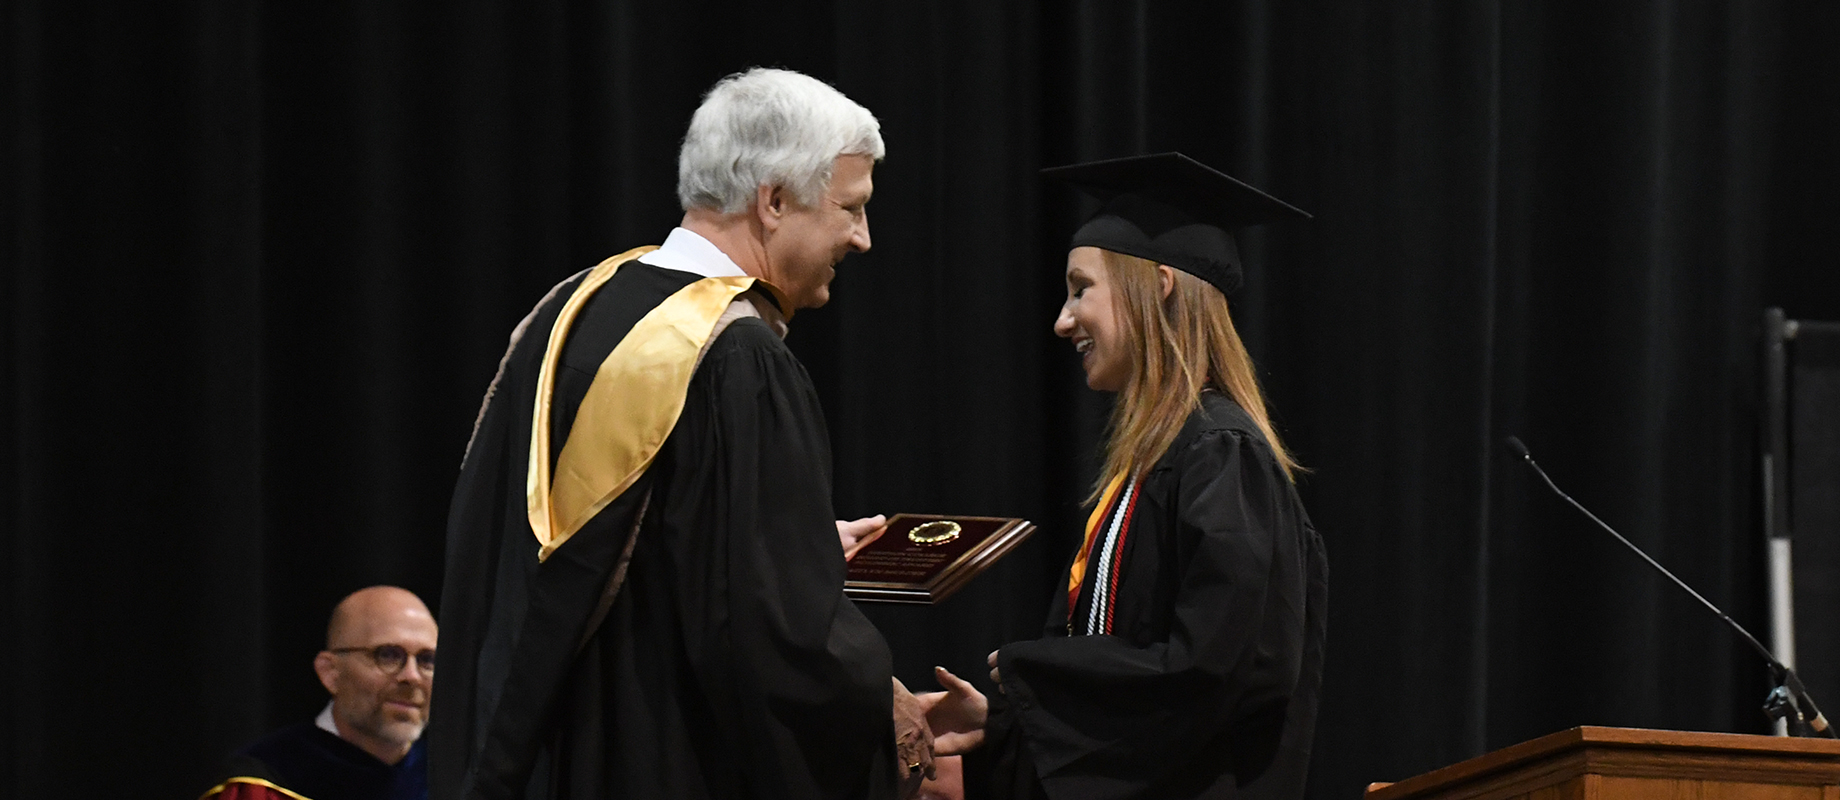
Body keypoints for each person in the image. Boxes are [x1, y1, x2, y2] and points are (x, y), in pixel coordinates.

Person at [430, 67, 931, 800]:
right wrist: (883, 709)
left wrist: (794, 544)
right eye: (851, 208)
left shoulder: (565, 311)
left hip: (539, 757)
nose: (862, 238)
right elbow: (769, 634)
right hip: (659, 755)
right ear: (775, 200)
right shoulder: (738, 356)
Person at [922, 153, 1328, 800]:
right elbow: (1129, 672)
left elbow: (1210, 672)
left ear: (1158, 285)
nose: (1062, 319)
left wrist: (1032, 678)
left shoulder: (1221, 455)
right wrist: (1005, 721)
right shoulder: (1153, 463)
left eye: (1081, 288)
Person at [203, 586, 437, 800]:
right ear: (330, 672)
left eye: (427, 660)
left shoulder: (451, 779)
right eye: (388, 655)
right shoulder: (263, 786)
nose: (412, 676)